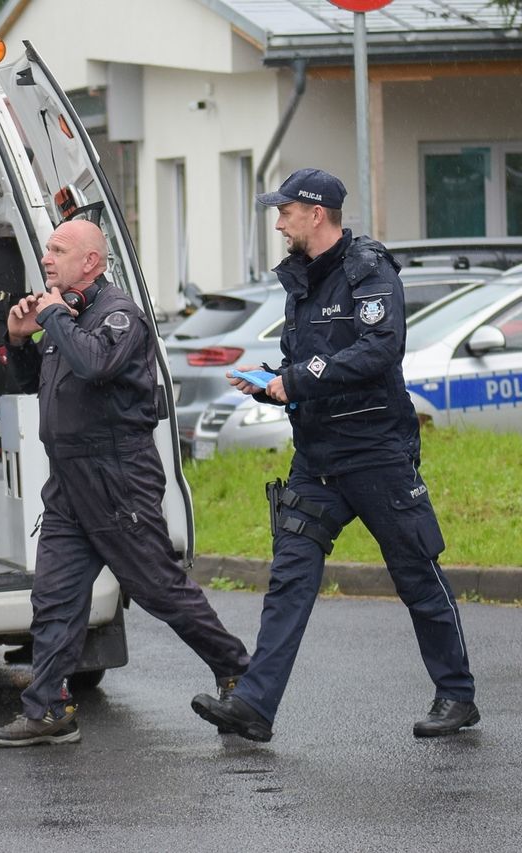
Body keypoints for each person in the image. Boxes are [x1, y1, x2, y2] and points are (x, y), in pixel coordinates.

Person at [192, 169, 477, 742]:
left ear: (316, 213)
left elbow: (378, 352)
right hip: (316, 459)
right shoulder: (304, 279)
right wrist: (272, 379)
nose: (278, 223)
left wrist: (296, 381)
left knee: (416, 572)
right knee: (289, 578)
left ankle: (457, 695)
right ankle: (254, 705)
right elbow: (316, 358)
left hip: (376, 453)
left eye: (286, 212)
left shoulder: (367, 270)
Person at [0, 219, 249, 747]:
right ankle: (49, 707)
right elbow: (26, 383)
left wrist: (54, 316)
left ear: (91, 261)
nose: (46, 258)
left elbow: (95, 364)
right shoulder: (69, 315)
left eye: (58, 249)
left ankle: (241, 673)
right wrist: (17, 340)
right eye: (47, 249)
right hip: (69, 484)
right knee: (55, 596)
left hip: (117, 479)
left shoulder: (118, 315)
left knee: (158, 588)